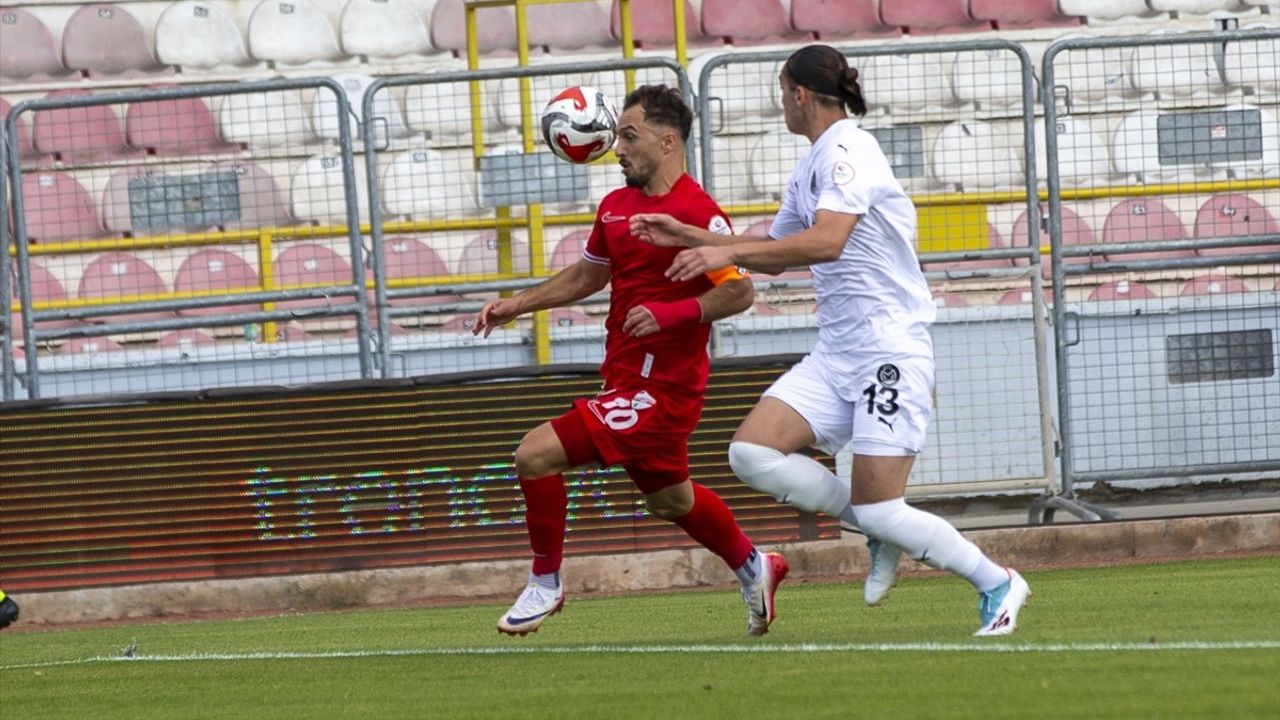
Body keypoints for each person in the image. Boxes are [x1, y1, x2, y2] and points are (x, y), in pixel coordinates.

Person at [629, 45, 1030, 637]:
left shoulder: (848, 149)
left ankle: (998, 582)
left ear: (798, 95)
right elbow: (773, 254)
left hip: (888, 348)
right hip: (837, 353)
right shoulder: (809, 164)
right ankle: (877, 529)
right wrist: (687, 232)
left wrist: (727, 249)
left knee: (883, 505)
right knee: (751, 454)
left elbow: (827, 242)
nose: (779, 105)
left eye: (779, 92)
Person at [474, 84, 788, 637]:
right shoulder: (615, 206)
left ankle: (545, 582)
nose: (614, 146)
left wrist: (671, 316)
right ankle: (753, 564)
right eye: (616, 134)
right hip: (623, 374)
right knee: (672, 500)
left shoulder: (697, 213)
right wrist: (516, 305)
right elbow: (588, 276)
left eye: (628, 135)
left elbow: (738, 293)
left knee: (534, 454)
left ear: (668, 141)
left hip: (660, 390)